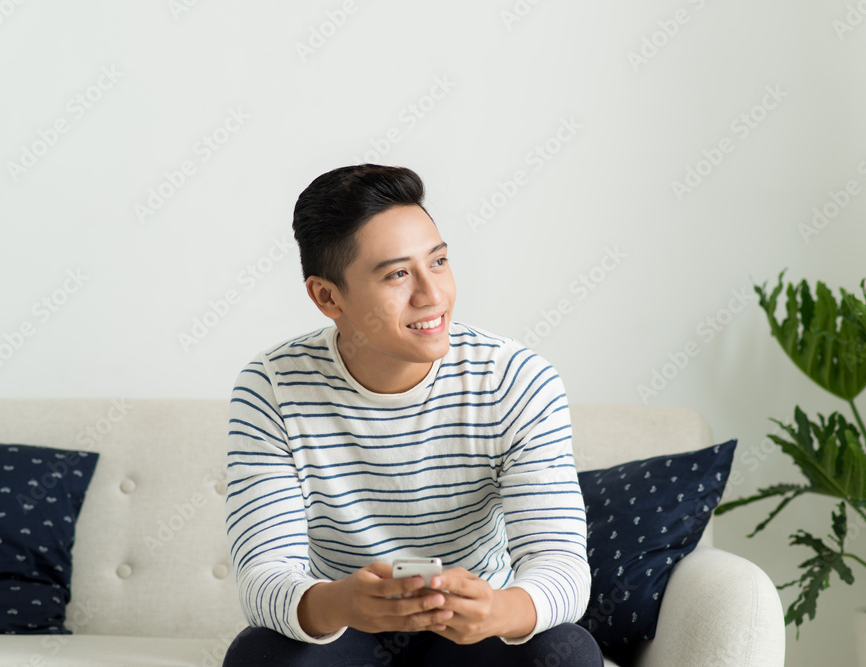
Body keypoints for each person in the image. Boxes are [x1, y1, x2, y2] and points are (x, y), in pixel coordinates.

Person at [222, 164, 601, 666]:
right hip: (347, 630)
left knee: (568, 651)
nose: (433, 295)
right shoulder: (271, 386)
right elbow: (263, 575)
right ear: (327, 296)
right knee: (260, 655)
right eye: (398, 274)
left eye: (438, 262)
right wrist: (341, 601)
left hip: (471, 633)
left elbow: (561, 564)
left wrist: (499, 610)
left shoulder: (515, 378)